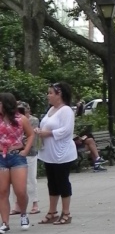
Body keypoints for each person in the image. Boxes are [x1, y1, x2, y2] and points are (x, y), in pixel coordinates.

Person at [36, 82, 77, 225]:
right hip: (49, 152)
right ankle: (52, 211)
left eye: (50, 93)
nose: (48, 96)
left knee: (62, 181)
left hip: (62, 153)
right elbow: (44, 125)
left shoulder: (66, 111)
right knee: (52, 182)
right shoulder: (51, 110)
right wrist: (39, 131)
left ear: (59, 94)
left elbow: (66, 130)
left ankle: (66, 212)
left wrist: (48, 133)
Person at [0, 92, 35, 233]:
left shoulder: (21, 119)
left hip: (17, 157)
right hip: (1, 157)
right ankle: (5, 222)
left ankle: (23, 214)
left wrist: (25, 150)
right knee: (2, 191)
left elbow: (31, 134)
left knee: (20, 191)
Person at [10, 102, 40, 216]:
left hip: (30, 152)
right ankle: (17, 205)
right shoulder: (12, 119)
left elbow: (28, 135)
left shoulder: (32, 120)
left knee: (31, 179)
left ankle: (34, 203)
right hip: (16, 152)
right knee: (15, 180)